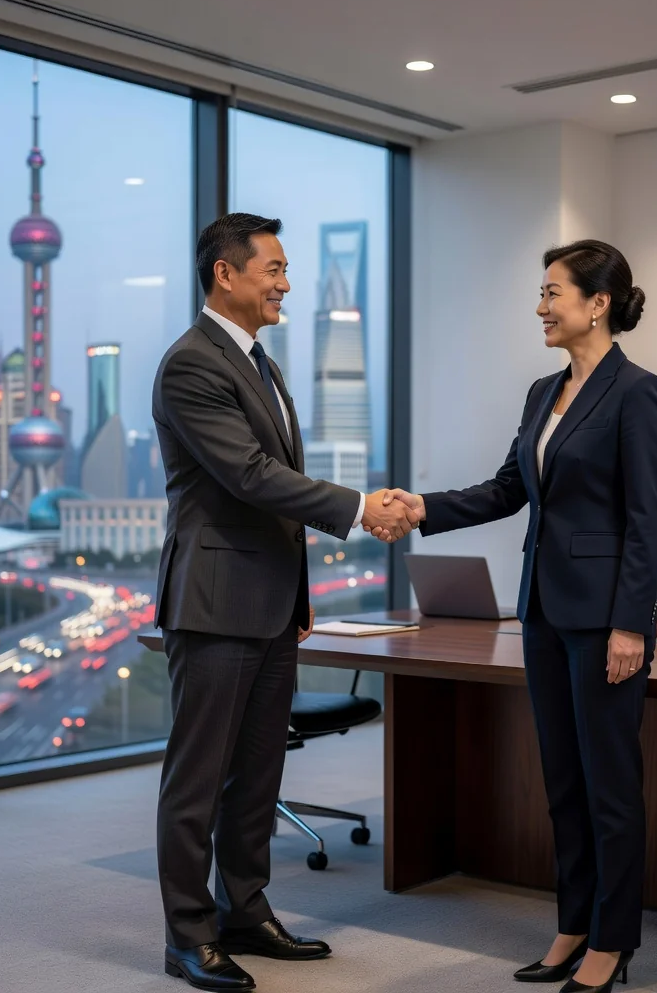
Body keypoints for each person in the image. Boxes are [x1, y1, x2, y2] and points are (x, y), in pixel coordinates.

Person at [375, 240, 657, 993]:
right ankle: (573, 922)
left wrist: (632, 624)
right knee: (563, 781)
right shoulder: (544, 392)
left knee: (610, 785)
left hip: (605, 618)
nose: (540, 307)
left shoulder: (638, 393)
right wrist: (423, 508)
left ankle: (613, 940)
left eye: (553, 293)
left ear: (597, 303)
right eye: (540, 294)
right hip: (541, 609)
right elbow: (510, 488)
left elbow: (646, 521)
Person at [152, 212, 417, 992]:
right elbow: (249, 476)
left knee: (257, 774)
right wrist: (361, 505)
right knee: (197, 780)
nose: (285, 284)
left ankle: (246, 909)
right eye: (272, 269)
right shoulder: (191, 365)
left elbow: (269, 487)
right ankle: (187, 935)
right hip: (214, 600)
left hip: (268, 603)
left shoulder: (259, 363)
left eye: (286, 268)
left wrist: (299, 592)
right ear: (225, 275)